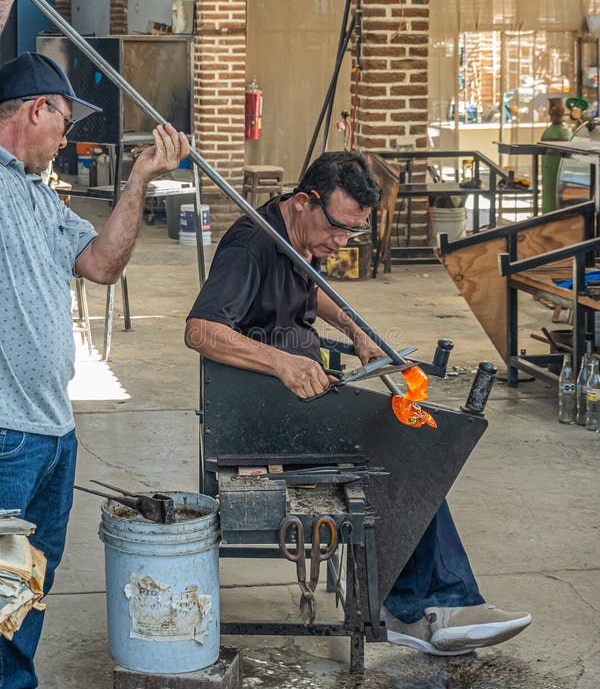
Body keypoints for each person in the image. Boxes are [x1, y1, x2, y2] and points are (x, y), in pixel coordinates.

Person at [185, 150, 532, 657]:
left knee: (414, 438)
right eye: (337, 229)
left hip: (302, 399)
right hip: (264, 415)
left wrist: (354, 327)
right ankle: (424, 608)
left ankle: (423, 605)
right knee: (405, 448)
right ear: (305, 202)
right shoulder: (252, 243)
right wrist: (282, 363)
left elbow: (311, 289)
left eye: (353, 232)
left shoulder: (296, 232)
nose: (341, 243)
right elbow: (202, 331)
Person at [0, 37, 190, 689]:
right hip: (6, 429)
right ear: (37, 110)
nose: (67, 138)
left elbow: (102, 264)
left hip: (51, 428)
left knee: (25, 585)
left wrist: (140, 177)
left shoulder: (36, 198)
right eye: (65, 124)